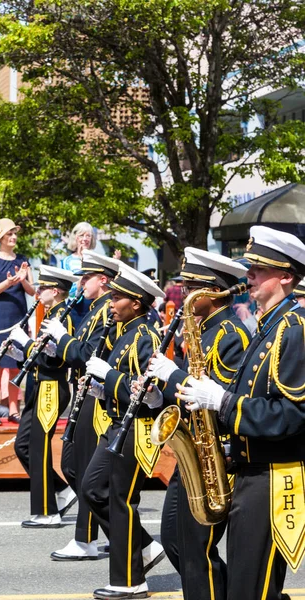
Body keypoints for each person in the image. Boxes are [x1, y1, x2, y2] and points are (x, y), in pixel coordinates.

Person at [175, 226, 305, 600]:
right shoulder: (269, 325)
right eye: (249, 269)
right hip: (250, 469)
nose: (248, 277)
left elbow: (293, 415)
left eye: (258, 271)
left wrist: (223, 402)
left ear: (285, 276)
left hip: (273, 478)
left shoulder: (293, 330)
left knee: (252, 589)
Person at [147, 248, 251, 600]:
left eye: (192, 285)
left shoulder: (230, 334)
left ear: (213, 291)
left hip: (216, 460)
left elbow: (221, 397)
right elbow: (190, 397)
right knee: (176, 543)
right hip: (194, 452)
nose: (185, 292)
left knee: (196, 551)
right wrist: (156, 394)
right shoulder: (202, 331)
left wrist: (171, 373)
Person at [80, 264, 166, 599]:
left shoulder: (146, 336)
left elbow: (146, 391)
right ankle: (142, 547)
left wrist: (109, 377)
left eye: (118, 297)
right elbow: (122, 386)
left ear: (137, 303)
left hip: (137, 427)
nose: (111, 303)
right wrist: (100, 388)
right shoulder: (124, 332)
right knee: (92, 489)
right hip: (117, 423)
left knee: (120, 499)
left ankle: (130, 581)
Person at [42, 250, 120, 560]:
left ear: (102, 280)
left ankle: (86, 539)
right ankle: (122, 533)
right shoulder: (93, 310)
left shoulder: (105, 312)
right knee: (72, 466)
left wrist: (62, 338)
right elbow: (79, 353)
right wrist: (54, 346)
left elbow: (87, 354)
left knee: (83, 468)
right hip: (84, 390)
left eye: (85, 278)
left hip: (96, 395)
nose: (81, 283)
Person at [10, 265, 79, 527]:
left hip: (52, 386)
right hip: (39, 384)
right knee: (24, 445)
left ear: (55, 291)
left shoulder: (64, 317)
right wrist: (21, 354)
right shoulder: (52, 314)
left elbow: (59, 359)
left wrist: (26, 344)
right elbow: (42, 357)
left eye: (41, 288)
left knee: (39, 447)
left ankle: (47, 512)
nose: (37, 291)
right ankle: (61, 490)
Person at [0, 218, 35, 425]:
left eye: (14, 234)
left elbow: (32, 291)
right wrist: (8, 282)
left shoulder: (22, 259)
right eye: (9, 234)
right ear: (0, 237)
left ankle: (14, 409)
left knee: (15, 365)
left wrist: (22, 279)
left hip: (18, 315)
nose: (13, 237)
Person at [61, 222, 97, 326]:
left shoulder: (97, 260)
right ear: (75, 238)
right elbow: (71, 292)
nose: (85, 239)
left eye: (88, 236)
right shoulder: (67, 261)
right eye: (81, 235)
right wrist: (83, 264)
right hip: (77, 308)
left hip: (94, 306)